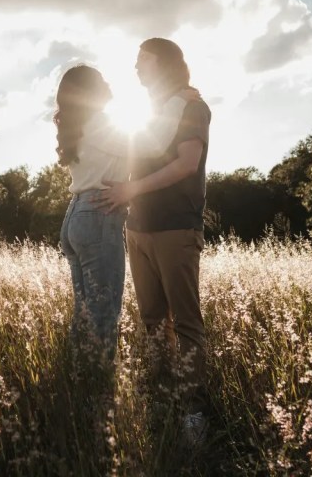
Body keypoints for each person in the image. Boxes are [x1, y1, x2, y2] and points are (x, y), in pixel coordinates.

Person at [95, 38, 212, 446]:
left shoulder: (193, 107)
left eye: (142, 61)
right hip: (138, 227)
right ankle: (163, 401)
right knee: (151, 322)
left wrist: (131, 189)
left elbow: (186, 164)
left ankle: (194, 413)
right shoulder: (150, 114)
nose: (136, 69)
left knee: (185, 324)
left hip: (176, 226)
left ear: (164, 65)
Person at [54, 64, 190, 375]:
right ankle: (98, 387)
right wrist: (179, 101)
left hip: (76, 214)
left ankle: (79, 379)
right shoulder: (98, 122)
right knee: (104, 310)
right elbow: (153, 141)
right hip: (97, 215)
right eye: (101, 80)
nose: (108, 81)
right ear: (90, 91)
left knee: (85, 311)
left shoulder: (81, 125)